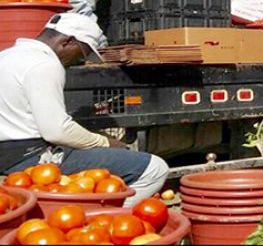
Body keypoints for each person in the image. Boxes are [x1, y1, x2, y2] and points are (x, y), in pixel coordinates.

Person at [0, 12, 168, 206]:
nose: (81, 60)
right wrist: (105, 142)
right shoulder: (44, 64)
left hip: (8, 154)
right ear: (68, 42)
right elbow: (56, 131)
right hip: (29, 159)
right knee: (155, 168)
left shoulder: (7, 55)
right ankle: (99, 221)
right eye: (84, 52)